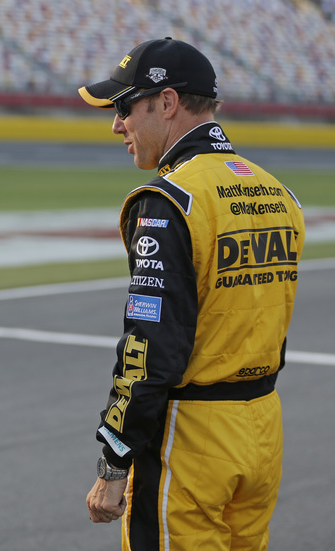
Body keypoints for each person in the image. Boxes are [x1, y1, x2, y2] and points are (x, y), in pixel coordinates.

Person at [79, 37, 305, 550]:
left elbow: (147, 352)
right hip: (263, 428)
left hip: (194, 438)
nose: (117, 124)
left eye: (123, 106)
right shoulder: (278, 192)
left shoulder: (168, 202)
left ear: (167, 102)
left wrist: (113, 460)